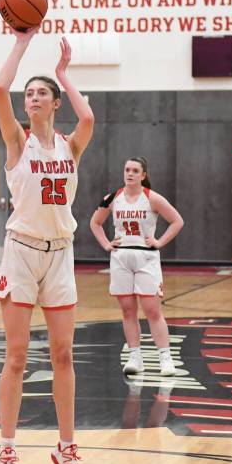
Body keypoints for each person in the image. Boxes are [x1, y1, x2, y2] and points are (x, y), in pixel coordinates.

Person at [0, 29, 94, 464]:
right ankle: (7, 454)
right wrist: (23, 41)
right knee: (16, 356)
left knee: (63, 355)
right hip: (22, 251)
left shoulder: (71, 146)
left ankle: (67, 448)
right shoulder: (17, 141)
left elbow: (89, 114)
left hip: (61, 254)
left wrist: (62, 74)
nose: (31, 98)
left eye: (40, 94)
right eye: (28, 94)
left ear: (54, 104)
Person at [89, 156, 184, 376]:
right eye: (127, 170)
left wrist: (159, 241)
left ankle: (165, 358)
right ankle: (135, 357)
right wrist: (106, 244)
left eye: (134, 170)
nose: (130, 174)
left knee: (152, 310)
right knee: (127, 311)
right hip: (121, 258)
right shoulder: (112, 198)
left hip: (146, 258)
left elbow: (177, 220)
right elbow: (95, 222)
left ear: (143, 175)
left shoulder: (152, 198)